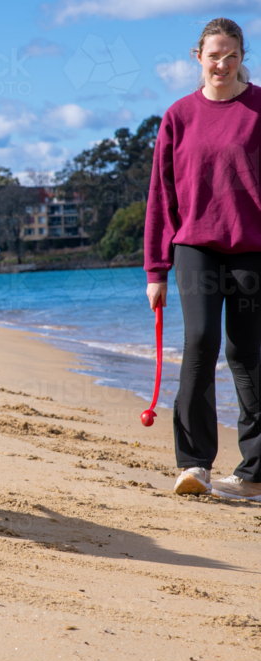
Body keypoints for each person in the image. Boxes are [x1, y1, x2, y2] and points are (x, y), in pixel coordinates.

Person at [145, 17, 261, 501]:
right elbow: (161, 197)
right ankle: (194, 464)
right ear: (198, 57)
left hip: (254, 248)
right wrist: (156, 270)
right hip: (195, 246)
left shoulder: (259, 109)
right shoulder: (178, 116)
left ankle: (255, 473)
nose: (222, 64)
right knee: (199, 340)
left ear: (242, 57)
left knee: (247, 354)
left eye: (231, 55)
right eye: (214, 55)